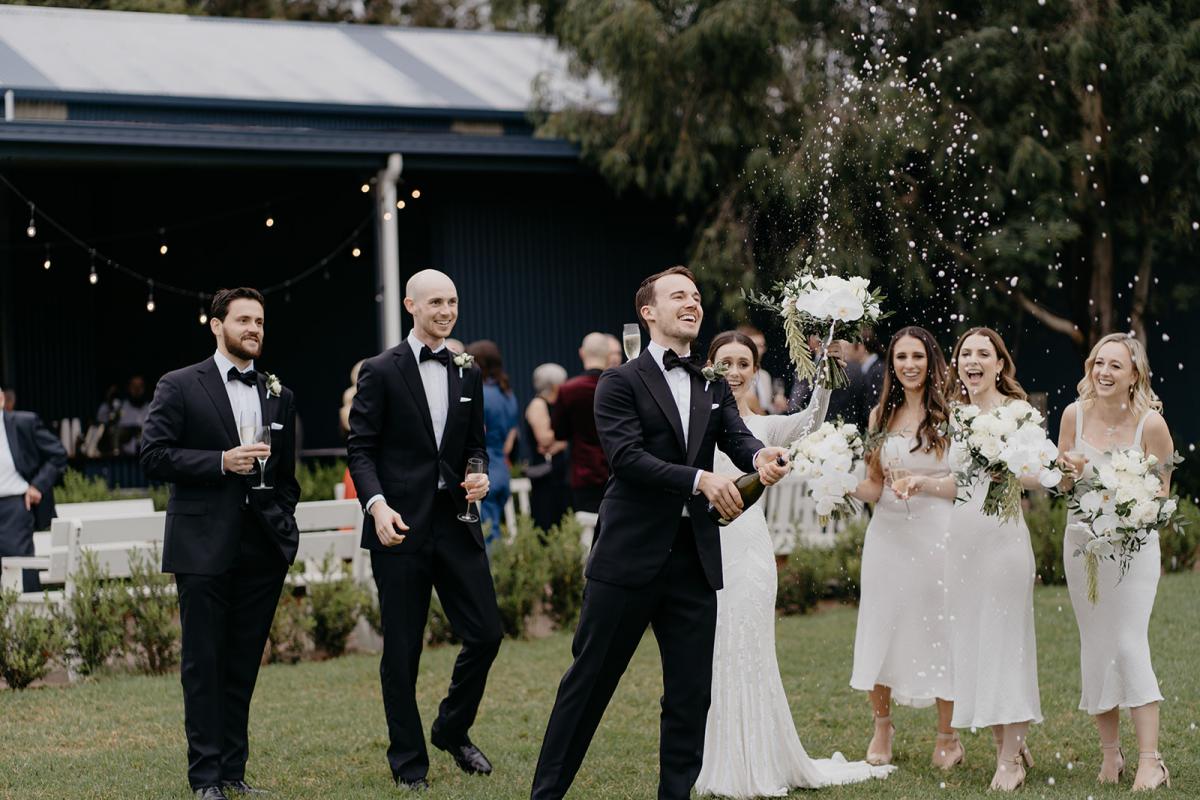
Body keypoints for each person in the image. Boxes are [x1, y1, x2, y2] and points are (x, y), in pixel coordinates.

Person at [530, 266, 791, 800]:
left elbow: (738, 439)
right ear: (648, 312)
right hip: (628, 558)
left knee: (690, 695)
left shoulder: (712, 382)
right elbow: (626, 460)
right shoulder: (618, 382)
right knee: (589, 685)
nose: (692, 303)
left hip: (694, 559)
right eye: (679, 297)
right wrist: (699, 479)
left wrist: (761, 456)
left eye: (696, 297)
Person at [695, 332, 893, 796]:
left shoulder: (763, 428)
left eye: (745, 363)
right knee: (711, 652)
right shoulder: (695, 424)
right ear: (709, 366)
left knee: (750, 649)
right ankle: (716, 754)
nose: (736, 371)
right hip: (703, 552)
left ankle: (757, 756)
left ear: (755, 369)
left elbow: (810, 423)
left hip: (749, 552)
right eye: (727, 362)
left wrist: (825, 372)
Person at [140, 287, 301, 800]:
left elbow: (287, 476)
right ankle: (205, 778)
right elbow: (154, 455)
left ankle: (234, 771)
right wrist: (219, 462)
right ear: (216, 325)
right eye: (243, 320)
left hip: (262, 548)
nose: (254, 329)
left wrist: (282, 521)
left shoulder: (279, 392)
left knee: (242, 663)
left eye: (260, 321)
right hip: (202, 545)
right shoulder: (180, 384)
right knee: (204, 663)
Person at [348, 269, 500, 791]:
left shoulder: (468, 370)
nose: (446, 310)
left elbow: (474, 442)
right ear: (411, 305)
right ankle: (408, 760)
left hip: (457, 524)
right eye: (436, 301)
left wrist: (478, 470)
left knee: (486, 632)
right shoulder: (380, 369)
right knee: (403, 649)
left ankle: (451, 728)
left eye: (453, 301)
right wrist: (376, 505)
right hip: (400, 527)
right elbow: (360, 449)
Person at [897, 327, 1042, 791]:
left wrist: (1009, 464)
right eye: (965, 354)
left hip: (1003, 545)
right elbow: (961, 484)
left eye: (984, 353)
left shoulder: (1019, 414)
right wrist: (923, 482)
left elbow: (1039, 477)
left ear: (1000, 364)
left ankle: (1008, 762)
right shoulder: (956, 417)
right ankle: (1011, 744)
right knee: (977, 647)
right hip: (961, 545)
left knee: (1006, 646)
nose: (972, 361)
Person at [1056, 333, 1173, 791]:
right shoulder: (1073, 414)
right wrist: (1065, 476)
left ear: (1134, 375)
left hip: (1133, 550)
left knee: (1127, 643)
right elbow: (1062, 484)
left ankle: (1151, 760)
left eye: (1115, 366)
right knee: (1097, 645)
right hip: (1082, 545)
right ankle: (1111, 756)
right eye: (1098, 363)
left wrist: (1119, 498)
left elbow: (1161, 496)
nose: (1103, 372)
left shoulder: (1151, 426)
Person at [847, 327, 958, 769]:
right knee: (882, 625)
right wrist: (836, 480)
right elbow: (875, 486)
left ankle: (947, 736)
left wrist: (925, 484)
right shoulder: (879, 417)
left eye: (917, 356)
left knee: (940, 628)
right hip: (888, 536)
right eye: (900, 357)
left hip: (938, 534)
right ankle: (882, 726)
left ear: (931, 361)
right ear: (891, 364)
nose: (909, 365)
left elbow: (961, 485)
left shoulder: (953, 415)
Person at [0, 381, 67, 592]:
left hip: (14, 507)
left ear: (1, 399)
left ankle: (30, 622)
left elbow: (58, 454)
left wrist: (37, 486)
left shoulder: (23, 422)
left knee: (22, 570)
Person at [466, 340, 519, 546]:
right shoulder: (508, 394)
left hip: (484, 470)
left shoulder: (481, 393)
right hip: (502, 470)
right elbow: (510, 440)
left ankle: (492, 577)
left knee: (485, 535)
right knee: (493, 529)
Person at [552, 333, 612, 513]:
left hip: (583, 472)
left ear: (582, 353)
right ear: (608, 356)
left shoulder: (569, 389)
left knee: (588, 533)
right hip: (616, 470)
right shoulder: (618, 386)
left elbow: (559, 432)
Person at [524, 363, 571, 531]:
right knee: (546, 520)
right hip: (545, 475)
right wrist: (564, 437)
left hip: (558, 473)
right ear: (554, 385)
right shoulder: (538, 404)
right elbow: (544, 439)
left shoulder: (556, 405)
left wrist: (560, 441)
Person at [96, 374, 150, 455]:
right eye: (134, 386)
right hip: (124, 459)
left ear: (145, 388)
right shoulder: (120, 407)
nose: (137, 389)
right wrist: (108, 400)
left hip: (147, 457)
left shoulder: (151, 409)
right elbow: (101, 419)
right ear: (129, 388)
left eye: (140, 386)